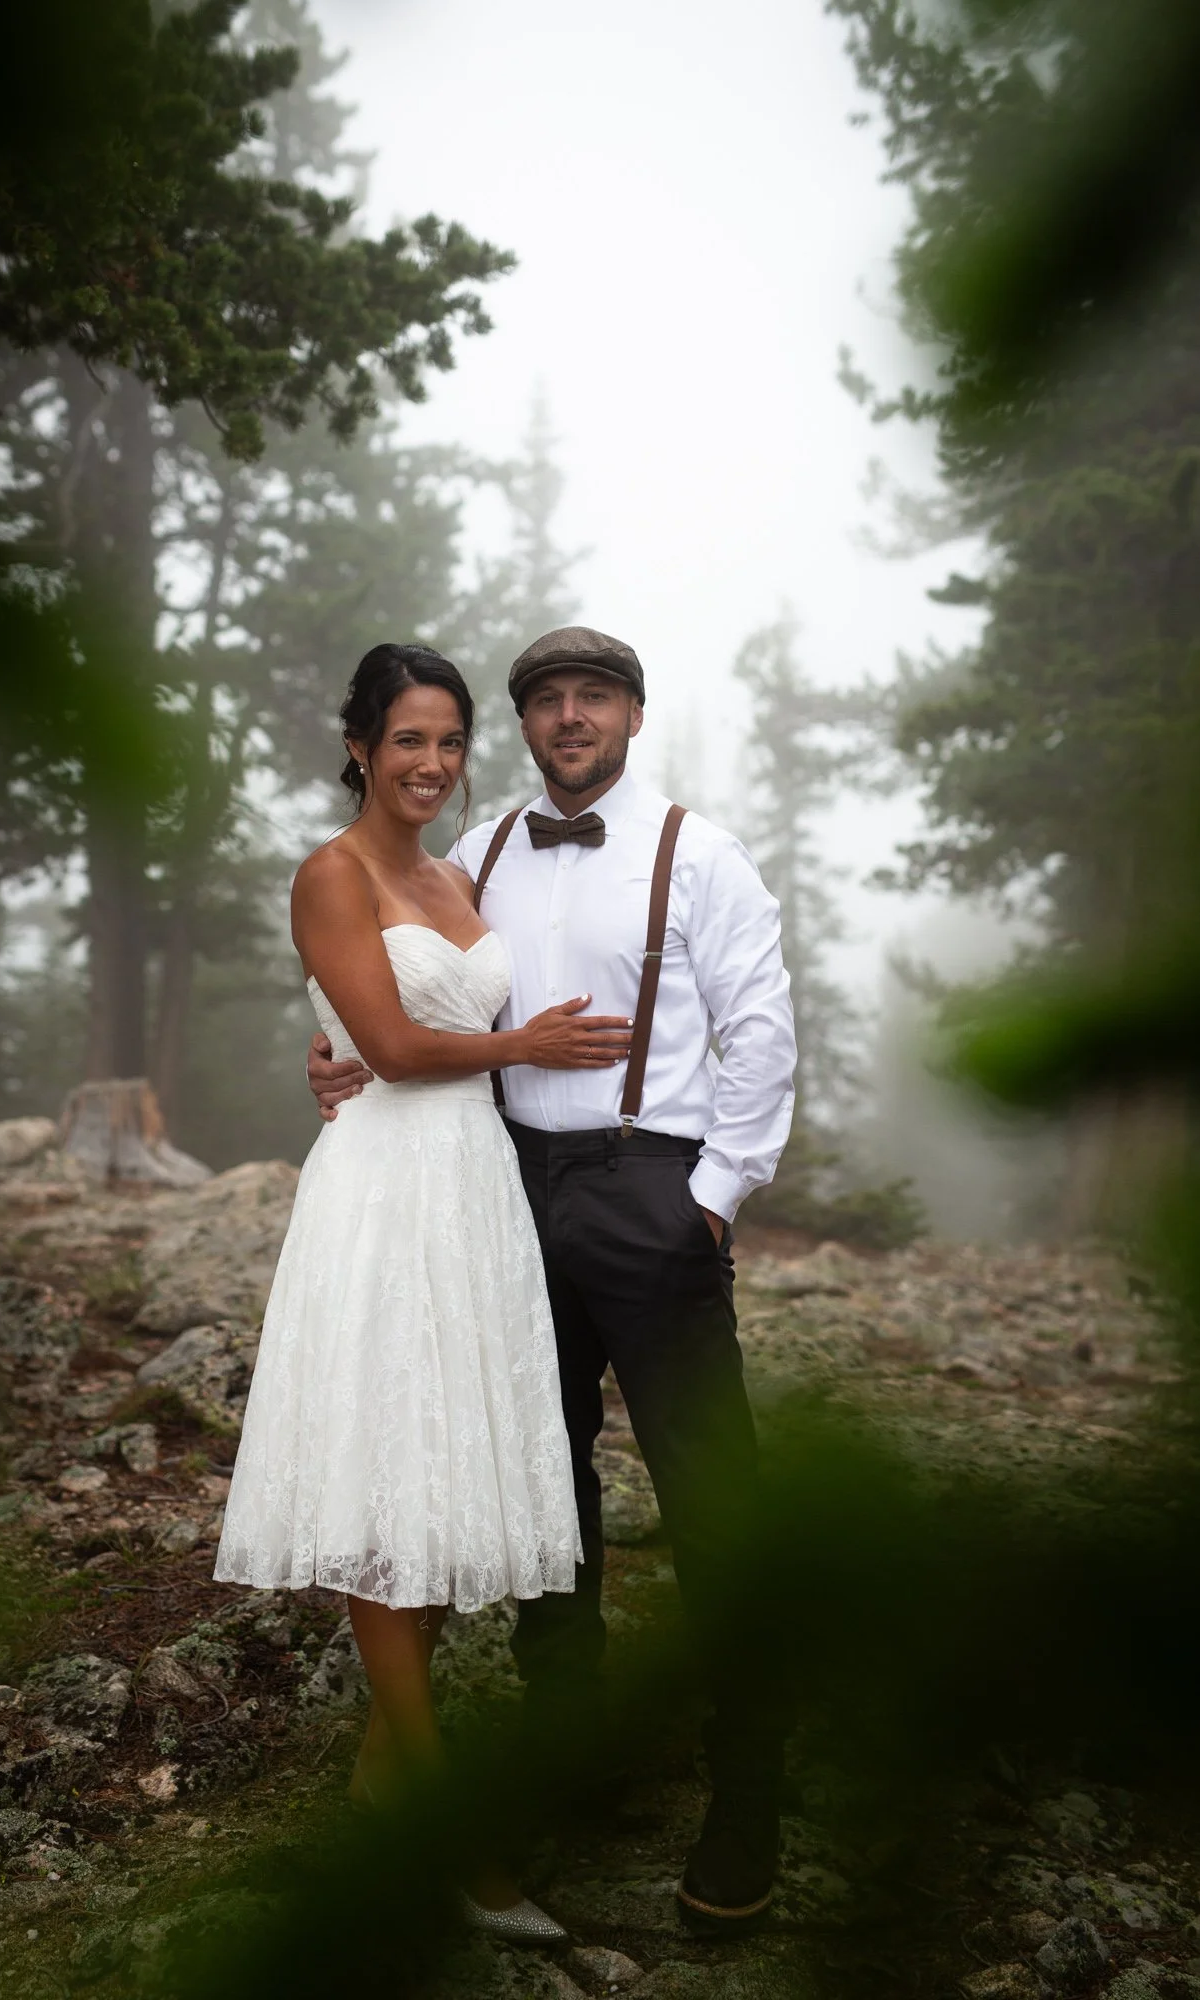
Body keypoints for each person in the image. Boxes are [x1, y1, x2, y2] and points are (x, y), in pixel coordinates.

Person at [308, 625, 797, 1936]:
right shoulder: (482, 854)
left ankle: (748, 1803)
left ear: (634, 714)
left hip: (654, 1188)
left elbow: (760, 1029)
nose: (570, 717)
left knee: (710, 1492)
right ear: (526, 726)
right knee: (546, 1492)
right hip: (510, 1191)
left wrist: (708, 1200)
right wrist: (334, 1059)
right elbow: (402, 990)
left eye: (595, 697)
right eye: (546, 702)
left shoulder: (701, 852)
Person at [215, 640, 638, 1945]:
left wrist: (360, 1050)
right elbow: (393, 1049)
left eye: (450, 742)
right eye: (408, 739)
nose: (433, 763)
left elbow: (384, 1034)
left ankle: (378, 1787)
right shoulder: (331, 876)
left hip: (475, 1191)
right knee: (391, 1488)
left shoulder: (459, 873)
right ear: (359, 746)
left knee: (451, 1490)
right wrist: (522, 1042)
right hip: (389, 1192)